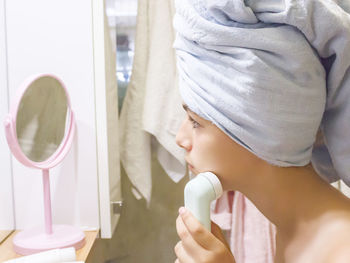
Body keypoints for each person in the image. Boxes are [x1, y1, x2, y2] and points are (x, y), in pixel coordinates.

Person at [171, 0, 350, 262]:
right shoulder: (294, 232)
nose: (180, 138)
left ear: (263, 128)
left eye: (195, 122)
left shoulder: (341, 251)